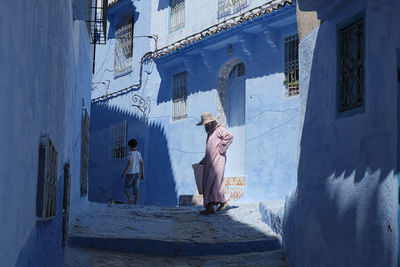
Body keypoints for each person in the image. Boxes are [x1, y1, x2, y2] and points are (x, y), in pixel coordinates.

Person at [197, 112, 233, 214]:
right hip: (210, 162)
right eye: (205, 124)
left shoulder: (219, 129)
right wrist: (205, 159)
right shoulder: (210, 133)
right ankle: (209, 206)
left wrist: (221, 149)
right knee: (207, 183)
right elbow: (210, 148)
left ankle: (223, 201)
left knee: (215, 182)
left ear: (212, 122)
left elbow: (229, 136)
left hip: (218, 160)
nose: (206, 125)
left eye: (208, 123)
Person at [121, 139, 144, 204]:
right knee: (136, 190)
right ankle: (135, 203)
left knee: (126, 188)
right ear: (136, 146)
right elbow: (142, 164)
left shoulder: (129, 154)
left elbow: (129, 164)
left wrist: (123, 173)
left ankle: (130, 199)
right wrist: (143, 174)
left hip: (130, 173)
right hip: (137, 173)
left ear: (130, 146)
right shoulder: (139, 154)